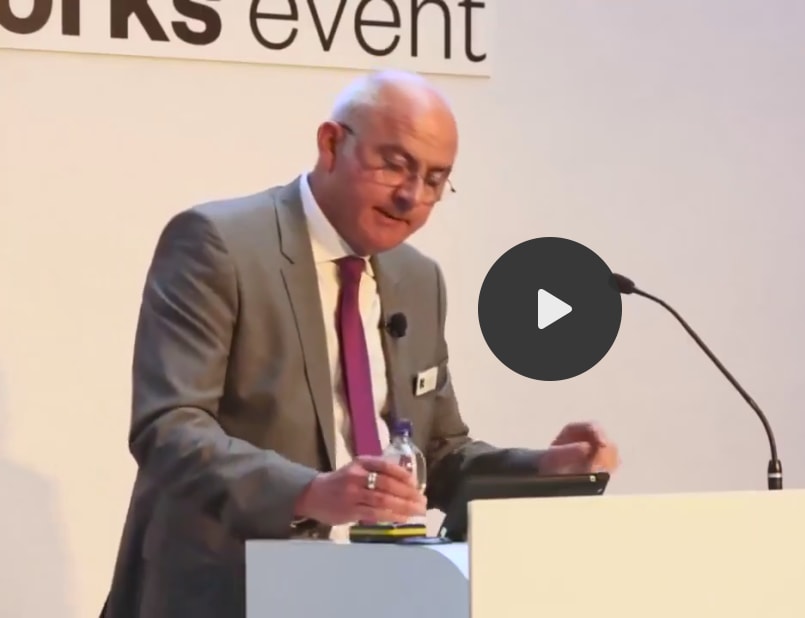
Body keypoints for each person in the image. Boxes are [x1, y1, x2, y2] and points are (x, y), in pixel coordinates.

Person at [100, 69, 620, 618]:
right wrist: (310, 492)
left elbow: (437, 454)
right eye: (394, 165)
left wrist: (544, 471)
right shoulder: (220, 244)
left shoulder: (418, 278)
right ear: (330, 144)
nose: (411, 196)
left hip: (373, 593)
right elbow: (169, 428)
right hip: (228, 592)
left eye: (434, 180)